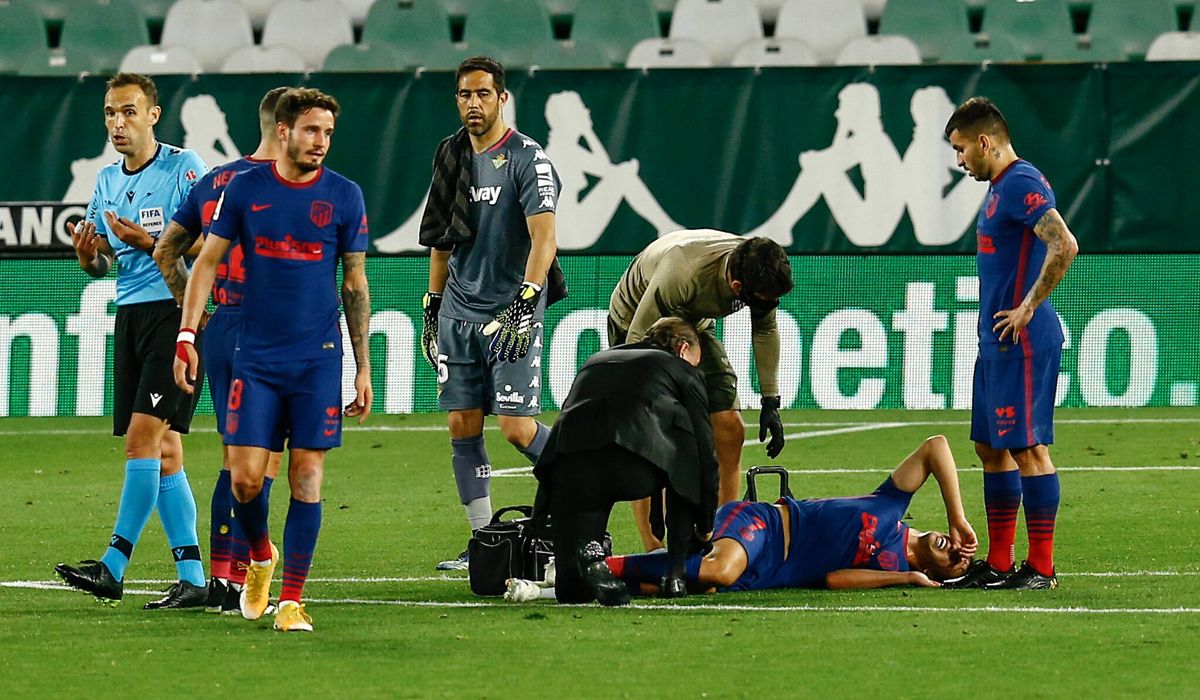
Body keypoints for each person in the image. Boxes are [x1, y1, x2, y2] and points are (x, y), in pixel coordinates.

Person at [175, 87, 373, 632]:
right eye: (312, 130)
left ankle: (291, 601)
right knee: (244, 480)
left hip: (317, 358)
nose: (321, 142)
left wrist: (363, 364)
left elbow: (354, 282)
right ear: (283, 131)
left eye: (329, 132)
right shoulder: (244, 190)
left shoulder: (345, 195)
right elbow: (206, 263)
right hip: (255, 357)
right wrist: (187, 335)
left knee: (307, 475)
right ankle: (260, 555)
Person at [55, 73, 210, 609]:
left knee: (141, 441)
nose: (116, 123)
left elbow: (211, 247)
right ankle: (193, 577)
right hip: (131, 317)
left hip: (177, 312)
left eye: (127, 112)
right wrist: (87, 255)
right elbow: (100, 265)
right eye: (108, 113)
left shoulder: (186, 168)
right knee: (166, 452)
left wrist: (148, 241)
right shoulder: (104, 180)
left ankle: (113, 564)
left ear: (152, 115)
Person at [418, 56, 563, 571]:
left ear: (502, 98)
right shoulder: (451, 153)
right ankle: (483, 540)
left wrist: (527, 297)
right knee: (462, 422)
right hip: (459, 306)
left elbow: (544, 236)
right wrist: (433, 307)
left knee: (518, 428)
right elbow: (440, 239)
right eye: (464, 95)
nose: (472, 104)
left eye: (482, 94)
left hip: (511, 308)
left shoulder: (528, 158)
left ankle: (577, 489)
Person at [151, 86, 290, 615]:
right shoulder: (282, 185)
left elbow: (168, 248)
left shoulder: (216, 181)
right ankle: (247, 573)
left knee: (234, 456)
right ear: (285, 128)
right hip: (271, 330)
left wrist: (197, 312)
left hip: (225, 328)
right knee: (264, 461)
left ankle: (225, 581)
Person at [941, 97, 1078, 590]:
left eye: (961, 149)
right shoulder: (1002, 187)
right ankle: (999, 564)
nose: (960, 160)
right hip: (995, 342)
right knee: (988, 446)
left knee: (1027, 449)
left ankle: (1041, 568)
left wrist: (1028, 307)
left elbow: (1065, 244)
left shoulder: (1020, 182)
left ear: (985, 141)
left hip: (1021, 339)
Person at [601, 435, 977, 595]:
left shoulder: (893, 567)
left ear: (935, 575)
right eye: (963, 548)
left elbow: (832, 579)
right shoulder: (892, 504)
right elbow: (936, 447)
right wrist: (958, 518)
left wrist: (906, 578)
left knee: (697, 584)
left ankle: (578, 583)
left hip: (766, 573)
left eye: (957, 563)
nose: (957, 551)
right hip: (763, 524)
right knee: (719, 570)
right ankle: (604, 565)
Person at [608, 229, 792, 551]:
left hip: (691, 323)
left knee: (730, 428)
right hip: (636, 323)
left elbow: (765, 331)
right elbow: (639, 337)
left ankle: (721, 538)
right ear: (737, 287)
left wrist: (770, 401)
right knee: (648, 438)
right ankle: (655, 548)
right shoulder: (684, 271)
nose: (769, 306)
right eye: (764, 301)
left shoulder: (756, 269)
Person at [533, 317, 719, 606]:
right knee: (688, 454)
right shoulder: (682, 370)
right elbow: (706, 452)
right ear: (684, 349)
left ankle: (591, 566)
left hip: (568, 467)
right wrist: (706, 523)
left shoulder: (598, 358)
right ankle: (675, 574)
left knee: (571, 592)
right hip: (632, 466)